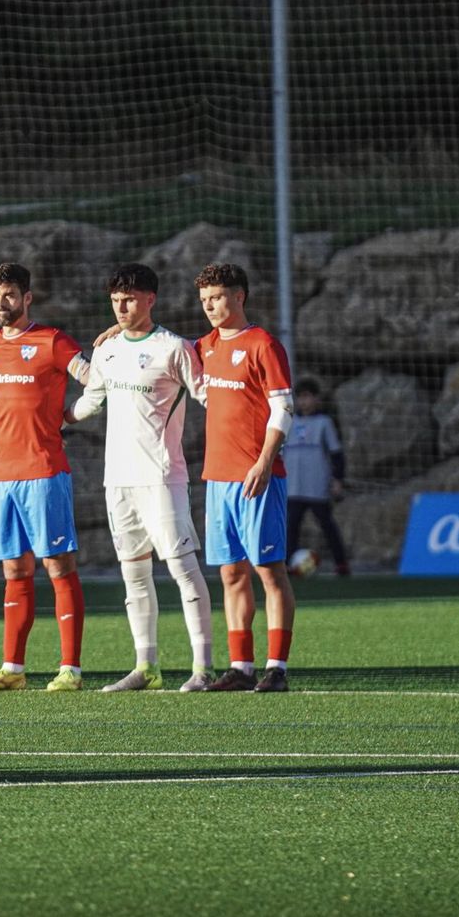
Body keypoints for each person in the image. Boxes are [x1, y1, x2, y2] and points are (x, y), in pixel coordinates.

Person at [66, 265, 216, 693]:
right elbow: (92, 399)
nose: (122, 307)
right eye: (116, 300)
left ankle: (202, 668)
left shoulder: (175, 348)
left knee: (183, 569)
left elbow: (210, 397)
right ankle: (145, 666)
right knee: (134, 574)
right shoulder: (107, 350)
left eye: (130, 299)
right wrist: (53, 420)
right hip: (119, 480)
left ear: (151, 299)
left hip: (161, 478)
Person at [0, 262, 92, 693]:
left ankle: (70, 670)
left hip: (43, 470)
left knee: (58, 565)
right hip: (0, 475)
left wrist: (73, 414)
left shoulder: (52, 340)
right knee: (14, 570)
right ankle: (13, 668)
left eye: (8, 296)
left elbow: (95, 381)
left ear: (27, 298)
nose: (1, 305)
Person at [192, 263, 297, 691]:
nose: (210, 307)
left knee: (269, 571)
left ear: (239, 297)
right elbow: (161, 348)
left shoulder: (264, 344)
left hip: (258, 476)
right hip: (217, 478)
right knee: (231, 574)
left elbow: (283, 407)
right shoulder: (205, 346)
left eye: (217, 297)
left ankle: (277, 668)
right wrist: (116, 336)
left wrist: (264, 460)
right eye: (204, 301)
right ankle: (241, 666)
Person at [284, 377, 350, 576]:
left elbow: (337, 454)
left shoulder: (324, 423)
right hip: (293, 486)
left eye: (308, 397)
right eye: (301, 398)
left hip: (316, 486)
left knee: (327, 525)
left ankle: (341, 564)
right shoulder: (289, 422)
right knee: (291, 527)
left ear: (317, 399)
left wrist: (338, 479)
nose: (304, 402)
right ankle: (288, 565)